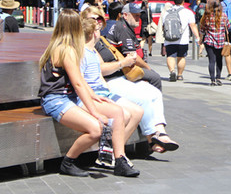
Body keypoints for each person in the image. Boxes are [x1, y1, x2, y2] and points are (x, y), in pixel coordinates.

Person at [38, 9, 140, 177]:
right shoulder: (66, 50)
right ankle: (68, 162)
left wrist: (93, 96)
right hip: (56, 99)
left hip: (70, 97)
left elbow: (80, 83)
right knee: (96, 128)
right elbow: (78, 83)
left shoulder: (66, 47)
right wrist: (94, 112)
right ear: (73, 27)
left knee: (117, 111)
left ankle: (120, 159)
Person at [88, 9, 181, 155]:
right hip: (108, 82)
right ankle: (152, 139)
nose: (98, 22)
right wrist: (122, 63)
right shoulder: (86, 43)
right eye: (93, 19)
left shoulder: (101, 39)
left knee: (154, 92)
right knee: (143, 98)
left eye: (100, 19)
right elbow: (100, 70)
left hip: (119, 78)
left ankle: (160, 133)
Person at [80, 17, 144, 167]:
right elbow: (81, 81)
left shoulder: (94, 51)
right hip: (94, 94)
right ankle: (116, 155)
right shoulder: (82, 52)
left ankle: (114, 154)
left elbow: (99, 74)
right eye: (98, 29)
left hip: (104, 91)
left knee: (138, 111)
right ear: (93, 33)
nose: (100, 32)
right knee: (125, 114)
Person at [105, 3, 162, 91]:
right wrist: (148, 68)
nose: (138, 18)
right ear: (125, 15)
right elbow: (132, 56)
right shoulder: (123, 29)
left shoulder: (125, 26)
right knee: (155, 78)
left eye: (139, 16)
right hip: (123, 69)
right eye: (135, 15)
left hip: (126, 66)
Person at [164, 0, 201, 82]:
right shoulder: (188, 12)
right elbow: (193, 26)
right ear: (183, 1)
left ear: (174, 1)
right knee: (181, 57)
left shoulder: (166, 12)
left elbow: (163, 26)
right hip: (182, 39)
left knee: (170, 56)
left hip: (169, 39)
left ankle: (172, 71)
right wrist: (197, 37)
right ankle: (180, 75)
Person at [199, 0, 229, 86]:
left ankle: (212, 80)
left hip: (209, 40)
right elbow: (228, 26)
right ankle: (218, 78)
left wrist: (201, 39)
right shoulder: (223, 16)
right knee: (219, 59)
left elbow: (202, 29)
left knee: (211, 61)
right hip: (220, 40)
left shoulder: (207, 16)